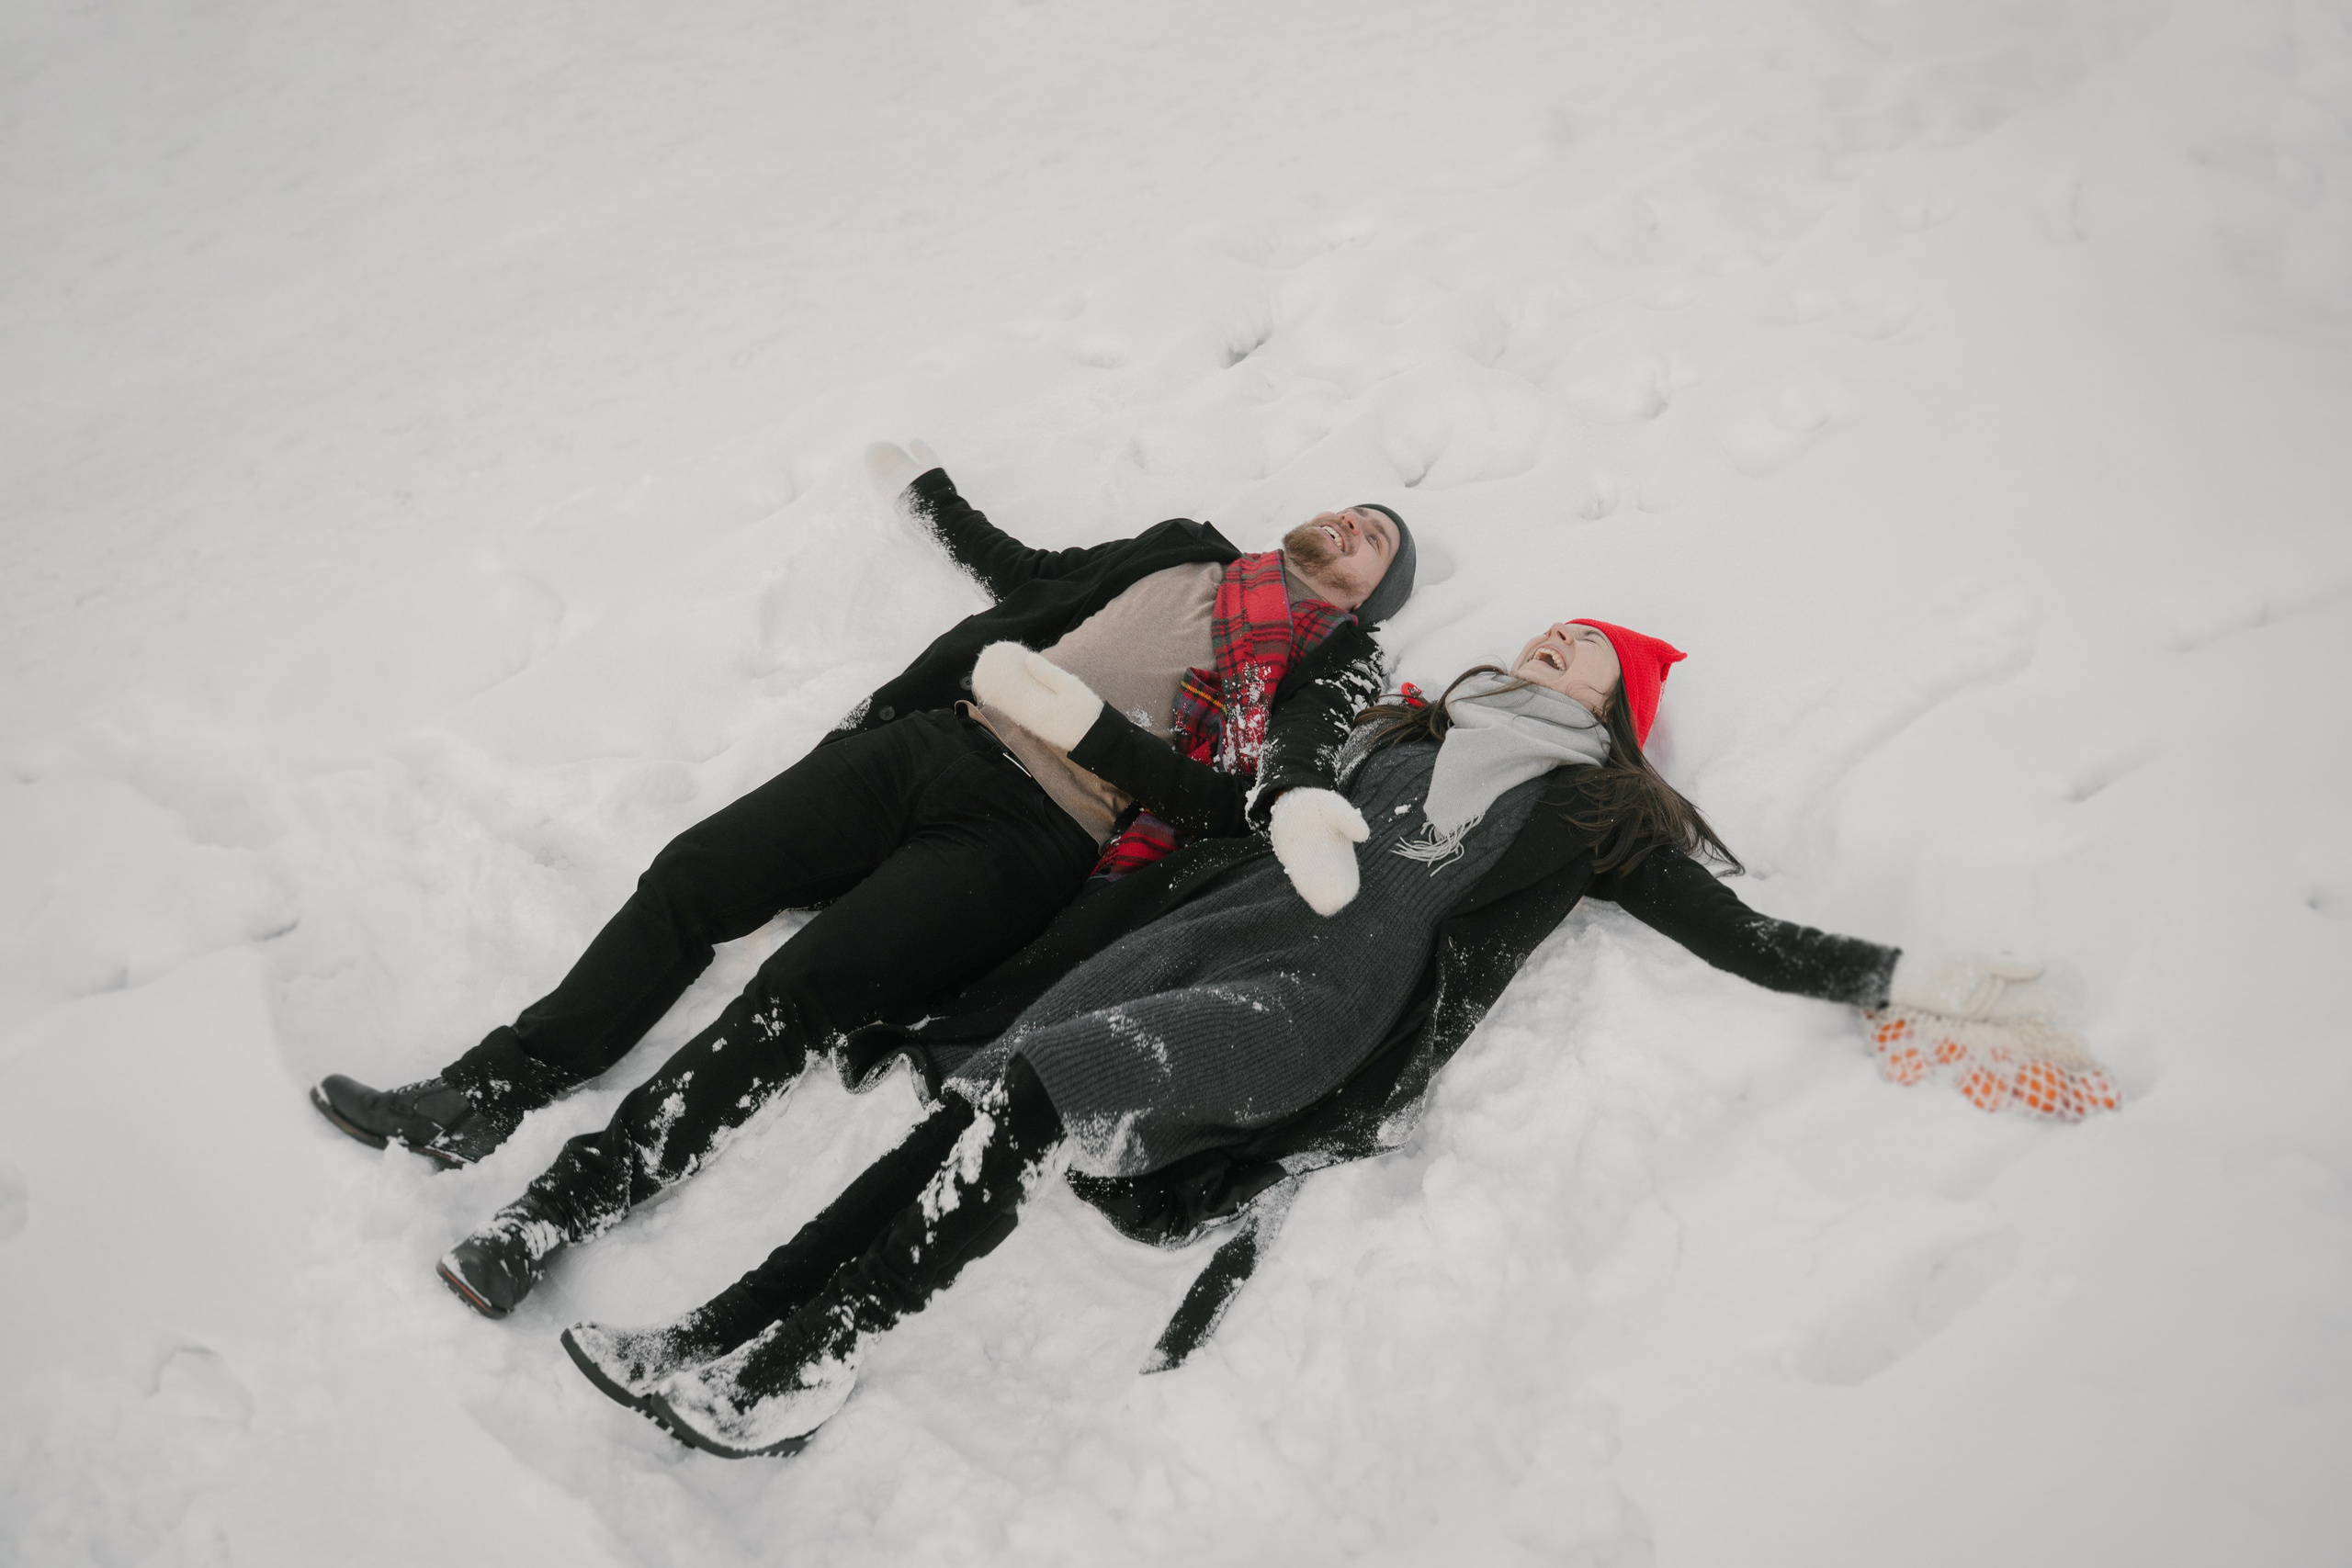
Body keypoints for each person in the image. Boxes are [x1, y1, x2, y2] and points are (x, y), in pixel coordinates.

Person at [552, 615, 2087, 1458]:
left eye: (1584, 653)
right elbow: (1272, 771)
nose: (1551, 645)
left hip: (1319, 1007)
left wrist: (1921, 975)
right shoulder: (1401, 735)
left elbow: (1745, 938)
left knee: (1035, 1101)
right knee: (974, 1117)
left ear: (1619, 709)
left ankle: (795, 1368)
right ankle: (713, 1331)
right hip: (1201, 944)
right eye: (1548, 631)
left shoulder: (1593, 812)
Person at [306, 442, 1418, 1317]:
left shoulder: (1328, 663)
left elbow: (1242, 801)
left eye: (1374, 541)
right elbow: (1031, 580)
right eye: (1352, 509)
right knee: (694, 877)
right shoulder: (1188, 551)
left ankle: (556, 1213)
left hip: (1034, 839)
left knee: (800, 994)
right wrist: (929, 494)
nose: (1351, 525)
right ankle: (486, 1091)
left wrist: (1087, 731)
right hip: (930, 742)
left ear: (1371, 597)